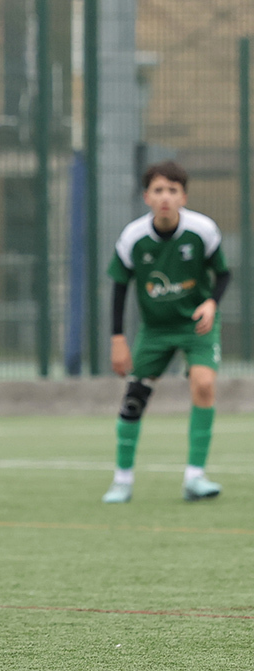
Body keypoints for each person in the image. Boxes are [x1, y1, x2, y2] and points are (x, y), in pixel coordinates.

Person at [102, 160, 230, 504]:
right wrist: (117, 339)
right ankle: (122, 481)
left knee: (203, 384)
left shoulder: (202, 230)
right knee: (133, 399)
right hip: (155, 330)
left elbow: (223, 274)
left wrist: (211, 303)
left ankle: (195, 477)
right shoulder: (133, 237)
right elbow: (119, 287)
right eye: (158, 190)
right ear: (146, 196)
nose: (165, 197)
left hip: (196, 326)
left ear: (183, 196)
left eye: (172, 191)